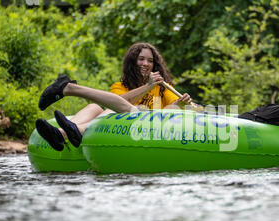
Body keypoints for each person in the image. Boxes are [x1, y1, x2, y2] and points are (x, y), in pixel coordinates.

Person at [35, 42, 192, 151]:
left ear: (155, 66)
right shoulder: (119, 87)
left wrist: (179, 105)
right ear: (132, 62)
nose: (145, 63)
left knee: (115, 110)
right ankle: (62, 133)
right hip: (122, 128)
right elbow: (119, 104)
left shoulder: (163, 88)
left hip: (147, 129)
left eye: (150, 61)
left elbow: (168, 113)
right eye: (141, 59)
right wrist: (147, 86)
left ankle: (68, 122)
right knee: (94, 106)